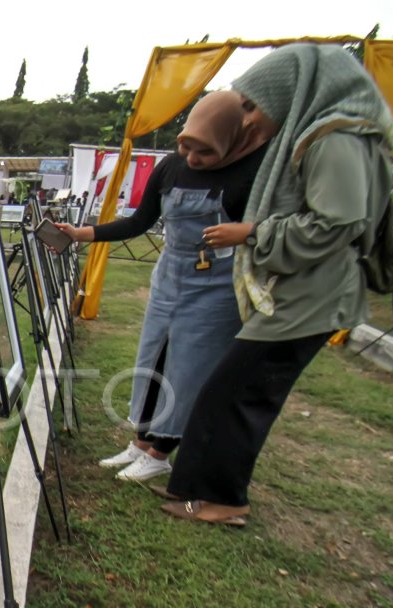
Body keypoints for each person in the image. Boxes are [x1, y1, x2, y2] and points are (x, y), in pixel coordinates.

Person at [158, 44, 393, 526]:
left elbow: (336, 224)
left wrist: (253, 232)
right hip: (299, 295)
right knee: (229, 394)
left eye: (250, 105)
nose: (245, 120)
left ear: (291, 92)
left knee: (237, 396)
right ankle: (199, 496)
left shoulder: (336, 137)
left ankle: (223, 501)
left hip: (311, 297)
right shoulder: (328, 134)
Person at [52, 91, 272, 481]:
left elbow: (275, 226)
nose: (192, 159)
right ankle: (140, 442)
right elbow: (138, 223)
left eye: (204, 153)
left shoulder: (256, 170)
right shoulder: (170, 168)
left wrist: (246, 232)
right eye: (186, 147)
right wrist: (80, 233)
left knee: (188, 367)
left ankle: (161, 451)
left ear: (231, 142)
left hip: (217, 285)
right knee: (152, 358)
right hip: (170, 276)